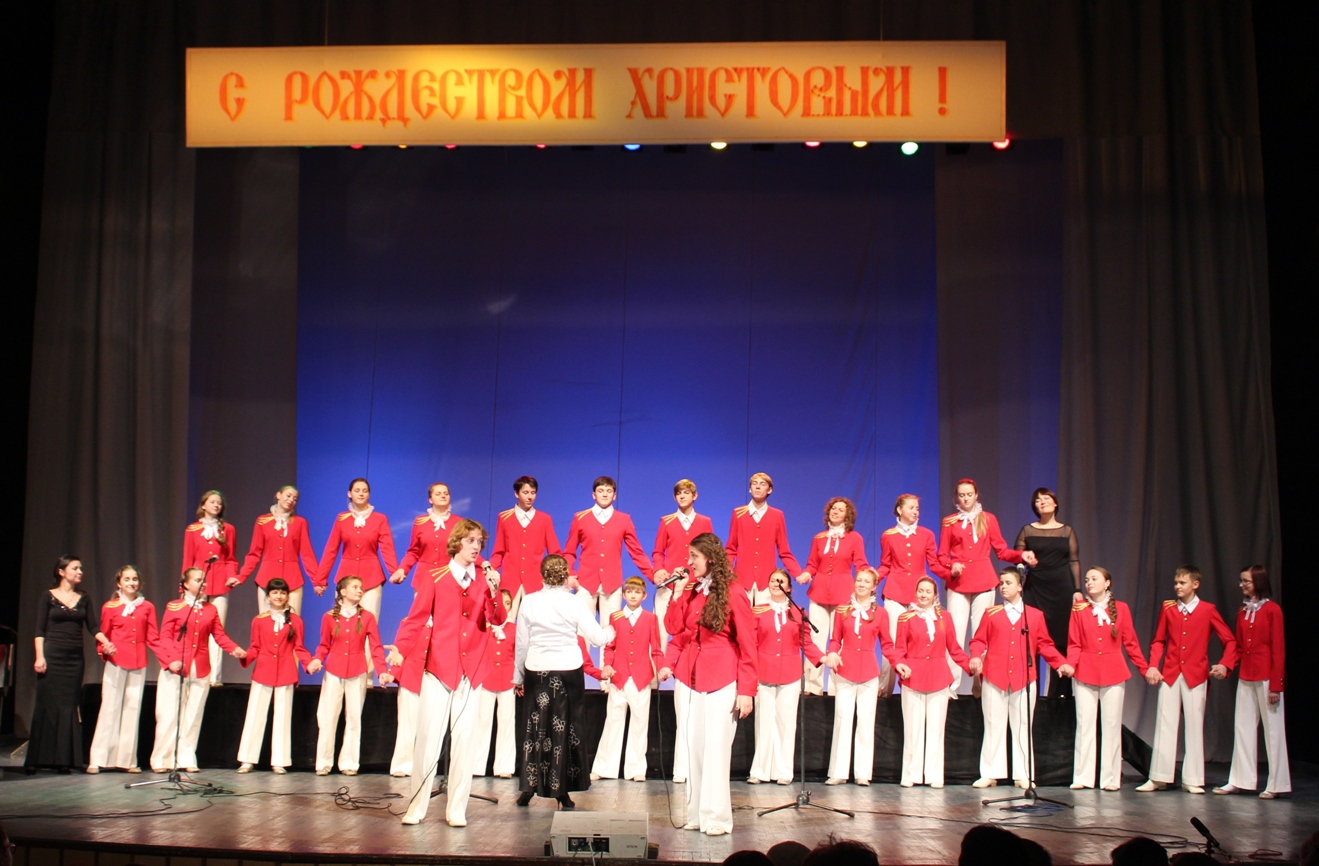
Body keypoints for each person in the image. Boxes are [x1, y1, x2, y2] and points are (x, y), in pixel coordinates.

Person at [390, 518, 503, 826]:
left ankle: (456, 810)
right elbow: (416, 618)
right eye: (471, 541)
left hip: (471, 671)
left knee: (465, 742)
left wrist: (494, 591)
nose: (476, 547)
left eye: (479, 542)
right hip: (440, 667)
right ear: (457, 543)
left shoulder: (484, 579)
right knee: (428, 740)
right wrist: (400, 648)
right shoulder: (435, 576)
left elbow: (497, 618)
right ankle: (417, 808)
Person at [664, 532, 756, 836]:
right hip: (690, 677)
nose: (689, 562)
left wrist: (747, 690)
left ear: (710, 559)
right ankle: (696, 815)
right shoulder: (692, 590)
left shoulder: (734, 592)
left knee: (716, 749)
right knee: (694, 749)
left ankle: (716, 818)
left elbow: (748, 644)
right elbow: (673, 626)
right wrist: (678, 592)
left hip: (722, 677)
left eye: (694, 556)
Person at [514, 553, 613, 810]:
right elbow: (598, 638)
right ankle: (562, 792)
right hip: (568, 670)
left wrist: (518, 677)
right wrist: (612, 629)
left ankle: (529, 787)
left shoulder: (529, 601)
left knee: (535, 729)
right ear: (565, 576)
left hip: (538, 670)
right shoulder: (574, 602)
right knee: (566, 728)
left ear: (542, 575)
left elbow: (522, 643)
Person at [968, 568, 1073, 789]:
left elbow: (1044, 644)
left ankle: (1023, 774)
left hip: (1024, 678)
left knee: (1022, 725)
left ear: (1019, 587)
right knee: (993, 725)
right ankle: (990, 772)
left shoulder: (1033, 615)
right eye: (1001, 583)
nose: (1003, 587)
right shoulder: (991, 613)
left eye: (1008, 583)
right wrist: (976, 656)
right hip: (995, 677)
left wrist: (1060, 662)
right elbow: (978, 640)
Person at [1136, 565, 1237, 794]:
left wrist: (1225, 663)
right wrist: (1153, 665)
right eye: (1176, 583)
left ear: (1195, 585)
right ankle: (1159, 777)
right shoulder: (1168, 608)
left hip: (1196, 674)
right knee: (1165, 724)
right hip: (1171, 673)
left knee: (1194, 726)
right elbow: (1158, 640)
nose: (1177, 587)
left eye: (1182, 583)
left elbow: (1230, 641)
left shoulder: (1208, 610)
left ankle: (1193, 779)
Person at [938, 479, 1036, 695]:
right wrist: (951, 565)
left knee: (981, 633)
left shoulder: (988, 519)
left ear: (976, 495)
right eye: (961, 495)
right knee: (955, 632)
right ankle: (951, 685)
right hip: (959, 582)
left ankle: (980, 682)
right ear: (956, 498)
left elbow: (1001, 551)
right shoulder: (949, 522)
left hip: (984, 581)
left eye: (969, 494)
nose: (965, 498)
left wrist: (1021, 555)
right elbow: (942, 555)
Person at [150, 567, 246, 773]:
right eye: (197, 580)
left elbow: (219, 635)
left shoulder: (210, 609)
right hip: (176, 667)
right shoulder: (174, 607)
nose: (203, 584)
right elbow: (164, 637)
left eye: (204, 580)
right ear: (185, 584)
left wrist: (234, 649)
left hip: (200, 667)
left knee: (193, 715)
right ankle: (162, 759)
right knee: (169, 714)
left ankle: (186, 758)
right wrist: (172, 660)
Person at [1067, 567, 1151, 790]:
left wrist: (1144, 669)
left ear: (1107, 583)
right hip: (1085, 671)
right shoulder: (1079, 609)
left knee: (1112, 726)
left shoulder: (1121, 608)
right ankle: (1083, 777)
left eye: (1094, 579)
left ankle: (1110, 778)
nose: (1089, 582)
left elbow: (1131, 643)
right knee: (1085, 726)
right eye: (1087, 579)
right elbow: (1074, 643)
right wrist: (1071, 665)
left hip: (1113, 672)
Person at [27, 556, 112, 773]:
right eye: (75, 568)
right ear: (61, 571)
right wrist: (40, 657)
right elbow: (39, 630)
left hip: (74, 660)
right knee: (46, 705)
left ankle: (63, 760)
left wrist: (106, 642)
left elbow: (93, 627)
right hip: (52, 655)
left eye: (80, 568)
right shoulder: (48, 596)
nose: (80, 572)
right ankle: (36, 759)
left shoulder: (84, 597)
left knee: (67, 707)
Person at [1214, 564, 1289, 799]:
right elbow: (1238, 647)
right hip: (1246, 675)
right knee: (1243, 728)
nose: (1242, 585)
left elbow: (1278, 650)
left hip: (1267, 677)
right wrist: (1226, 666)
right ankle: (1239, 780)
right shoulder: (1243, 612)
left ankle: (1276, 784)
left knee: (1273, 732)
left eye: (1246, 581)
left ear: (1258, 582)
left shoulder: (1272, 610)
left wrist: (1276, 685)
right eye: (1242, 580)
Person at [893, 576, 971, 787]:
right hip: (913, 677)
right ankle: (911, 774)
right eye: (920, 591)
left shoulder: (945, 617)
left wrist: (970, 666)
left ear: (935, 595)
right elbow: (899, 649)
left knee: (936, 729)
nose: (923, 595)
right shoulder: (905, 618)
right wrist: (900, 664)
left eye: (928, 591)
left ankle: (934, 775)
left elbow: (954, 648)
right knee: (913, 729)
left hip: (938, 677)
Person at [314, 478, 397, 673]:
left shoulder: (379, 519)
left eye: (365, 490)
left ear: (369, 494)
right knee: (341, 626)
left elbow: (387, 547)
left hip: (372, 578)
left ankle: (365, 675)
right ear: (349, 494)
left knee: (368, 626)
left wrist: (394, 571)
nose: (361, 493)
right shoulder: (342, 519)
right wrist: (320, 579)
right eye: (357, 490)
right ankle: (339, 672)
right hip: (345, 579)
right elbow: (331, 549)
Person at [748, 569, 823, 786]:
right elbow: (751, 643)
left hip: (790, 674)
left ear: (788, 588)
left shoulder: (798, 612)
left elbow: (805, 642)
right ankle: (760, 770)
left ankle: (784, 771)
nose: (775, 583)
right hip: (764, 671)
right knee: (763, 722)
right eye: (772, 580)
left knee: (786, 723)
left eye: (780, 581)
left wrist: (822, 658)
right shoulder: (758, 611)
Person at [590, 577, 669, 782]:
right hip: (619, 676)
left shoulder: (650, 619)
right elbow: (610, 647)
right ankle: (604, 768)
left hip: (641, 678)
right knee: (613, 721)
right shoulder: (616, 617)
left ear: (644, 595)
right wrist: (607, 665)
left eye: (637, 592)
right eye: (630, 591)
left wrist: (661, 668)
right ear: (624, 595)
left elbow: (656, 650)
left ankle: (636, 769)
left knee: (640, 723)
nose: (633, 595)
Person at [313, 575, 392, 777]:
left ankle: (349, 763)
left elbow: (375, 647)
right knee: (328, 717)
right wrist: (317, 660)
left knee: (354, 718)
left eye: (361, 587)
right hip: (333, 671)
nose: (360, 590)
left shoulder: (367, 617)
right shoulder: (329, 617)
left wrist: (382, 671)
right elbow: (324, 645)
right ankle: (323, 762)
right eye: (355, 587)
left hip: (357, 671)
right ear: (343, 592)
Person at [237, 578, 318, 774]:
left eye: (282, 593)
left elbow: (299, 647)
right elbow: (255, 647)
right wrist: (245, 655)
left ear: (287, 596)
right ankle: (247, 759)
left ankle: (279, 761)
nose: (279, 596)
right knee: (255, 715)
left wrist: (309, 663)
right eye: (274, 592)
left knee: (283, 717)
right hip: (263, 671)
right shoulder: (259, 620)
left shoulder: (296, 621)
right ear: (268, 596)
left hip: (286, 672)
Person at [822, 567, 894, 786]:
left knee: (865, 722)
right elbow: (835, 639)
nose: (861, 584)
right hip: (845, 671)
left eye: (866, 581)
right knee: (842, 720)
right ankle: (838, 772)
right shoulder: (842, 610)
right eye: (859, 580)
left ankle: (862, 772)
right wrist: (832, 652)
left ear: (874, 587)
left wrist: (898, 663)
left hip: (869, 673)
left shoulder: (881, 614)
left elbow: (887, 644)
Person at [87, 565, 158, 774]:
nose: (131, 583)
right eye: (127, 579)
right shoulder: (110, 606)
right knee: (109, 708)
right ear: (119, 583)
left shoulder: (147, 607)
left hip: (138, 662)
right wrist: (104, 649)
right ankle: (98, 759)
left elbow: (153, 637)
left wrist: (168, 658)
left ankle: (127, 760)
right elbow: (103, 635)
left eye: (134, 579)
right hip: (116, 660)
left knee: (132, 709)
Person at [877, 494, 948, 696]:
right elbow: (885, 564)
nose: (915, 511)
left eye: (917, 508)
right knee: (892, 640)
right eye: (911, 507)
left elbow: (933, 563)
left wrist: (950, 575)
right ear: (899, 510)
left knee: (922, 641)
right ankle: (885, 688)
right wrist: (874, 579)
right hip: (895, 592)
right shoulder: (888, 535)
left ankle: (917, 685)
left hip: (919, 595)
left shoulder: (926, 534)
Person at [1014, 488, 1082, 698]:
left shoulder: (1067, 531)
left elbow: (1073, 561)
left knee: (1060, 640)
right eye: (1037, 500)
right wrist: (1025, 560)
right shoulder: (1027, 530)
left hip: (1062, 588)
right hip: (1035, 586)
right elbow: (1017, 557)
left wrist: (1077, 590)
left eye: (1046, 498)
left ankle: (1058, 697)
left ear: (1055, 503)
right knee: (1031, 640)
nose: (1041, 502)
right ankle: (1029, 694)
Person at [798, 497, 869, 696]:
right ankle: (813, 684)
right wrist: (807, 574)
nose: (835, 512)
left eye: (840, 509)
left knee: (840, 639)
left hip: (843, 593)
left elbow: (861, 563)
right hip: (819, 592)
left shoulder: (855, 538)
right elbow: (812, 564)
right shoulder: (819, 538)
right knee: (816, 637)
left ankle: (838, 685)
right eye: (833, 509)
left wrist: (867, 580)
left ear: (848, 515)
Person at [562, 476, 653, 625]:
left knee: (610, 631)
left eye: (609, 491)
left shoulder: (624, 519)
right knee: (582, 630)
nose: (604, 494)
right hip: (585, 582)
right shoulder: (580, 518)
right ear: (593, 495)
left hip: (612, 584)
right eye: (601, 491)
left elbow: (636, 552)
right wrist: (570, 574)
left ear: (614, 495)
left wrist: (653, 574)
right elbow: (569, 552)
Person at [182, 490, 240, 685]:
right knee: (195, 627)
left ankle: (214, 676)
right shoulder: (192, 529)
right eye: (212, 502)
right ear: (203, 505)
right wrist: (184, 586)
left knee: (217, 628)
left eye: (219, 503)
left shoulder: (228, 529)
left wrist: (231, 576)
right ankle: (192, 672)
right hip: (197, 583)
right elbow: (188, 559)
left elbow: (231, 558)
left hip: (221, 583)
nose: (216, 505)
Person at [651, 479, 713, 653]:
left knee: (692, 632)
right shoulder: (666, 521)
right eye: (678, 493)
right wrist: (659, 569)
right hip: (670, 585)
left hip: (696, 586)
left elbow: (711, 552)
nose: (682, 496)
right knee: (660, 633)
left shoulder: (704, 522)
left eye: (686, 493)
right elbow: (658, 552)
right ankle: (658, 670)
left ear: (695, 496)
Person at [237, 485, 318, 616]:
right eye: (288, 496)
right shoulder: (262, 521)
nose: (291, 500)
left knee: (292, 623)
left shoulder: (300, 522)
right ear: (278, 495)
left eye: (295, 499)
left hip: (293, 580)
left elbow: (307, 554)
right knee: (265, 622)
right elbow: (254, 553)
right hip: (266, 579)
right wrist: (241, 576)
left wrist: (317, 580)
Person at [490, 475, 562, 622]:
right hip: (510, 581)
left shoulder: (544, 519)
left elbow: (554, 551)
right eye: (525, 492)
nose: (530, 497)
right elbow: (499, 550)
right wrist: (491, 570)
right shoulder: (504, 518)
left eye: (533, 493)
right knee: (506, 623)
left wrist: (561, 576)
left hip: (535, 581)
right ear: (516, 494)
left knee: (536, 624)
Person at [726, 472, 802, 606]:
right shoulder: (738, 513)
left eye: (762, 484)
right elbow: (731, 548)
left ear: (769, 490)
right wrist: (727, 568)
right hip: (742, 579)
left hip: (766, 581)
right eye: (754, 484)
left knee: (764, 616)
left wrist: (797, 573)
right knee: (740, 616)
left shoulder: (777, 516)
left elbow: (784, 551)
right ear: (750, 489)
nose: (757, 487)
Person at [391, 482, 476, 589]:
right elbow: (413, 552)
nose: (443, 496)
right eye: (438, 494)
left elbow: (467, 550)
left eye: (446, 493)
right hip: (424, 579)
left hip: (451, 578)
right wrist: (402, 569)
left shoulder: (459, 523)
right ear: (430, 500)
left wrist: (485, 565)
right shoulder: (420, 522)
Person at [473, 589, 518, 778]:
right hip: (486, 680)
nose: (504, 608)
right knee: (482, 722)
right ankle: (476, 766)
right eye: (501, 604)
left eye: (508, 604)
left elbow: (518, 656)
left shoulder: (514, 629)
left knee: (507, 723)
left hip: (508, 680)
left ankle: (504, 766)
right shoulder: (483, 628)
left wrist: (519, 679)